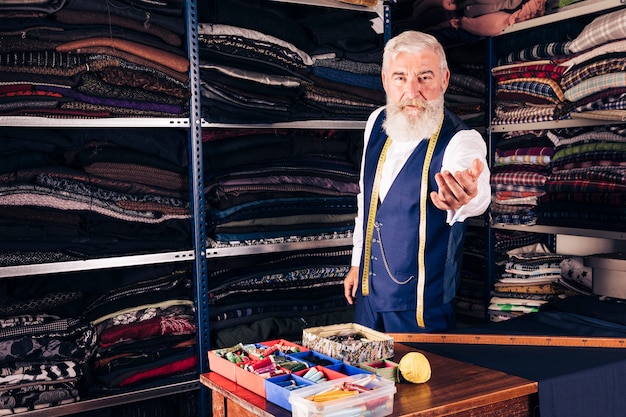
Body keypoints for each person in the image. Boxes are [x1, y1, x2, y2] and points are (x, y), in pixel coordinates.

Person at [343, 30, 491, 333]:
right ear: (385, 80)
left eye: (424, 78)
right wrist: (358, 262)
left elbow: (476, 193)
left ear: (445, 79)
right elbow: (366, 199)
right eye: (400, 78)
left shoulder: (461, 140)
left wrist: (465, 195)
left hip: (421, 305)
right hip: (369, 297)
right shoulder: (376, 122)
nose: (412, 91)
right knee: (364, 379)